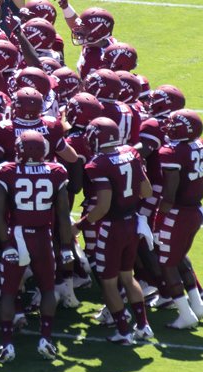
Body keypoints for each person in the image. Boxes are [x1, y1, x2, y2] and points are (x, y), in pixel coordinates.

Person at [0, 130, 73, 362]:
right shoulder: (56, 172)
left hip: (17, 235)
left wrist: (5, 243)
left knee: (8, 291)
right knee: (48, 289)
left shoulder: (7, 171)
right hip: (43, 237)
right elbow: (64, 215)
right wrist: (67, 246)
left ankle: (7, 343)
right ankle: (46, 339)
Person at [76, 117, 154, 345]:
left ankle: (123, 331)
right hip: (133, 223)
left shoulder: (98, 164)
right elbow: (146, 191)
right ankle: (143, 325)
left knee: (109, 281)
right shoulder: (132, 153)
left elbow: (102, 206)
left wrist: (79, 225)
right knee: (128, 277)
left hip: (112, 227)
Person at [155, 109, 203, 328]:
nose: (168, 126)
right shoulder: (200, 144)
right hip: (194, 209)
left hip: (178, 213)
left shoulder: (170, 152)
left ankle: (186, 314)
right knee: (179, 257)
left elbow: (169, 192)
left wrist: (158, 223)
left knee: (167, 262)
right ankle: (197, 305)